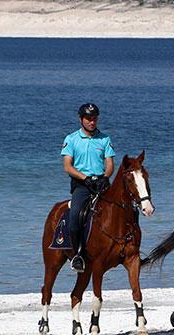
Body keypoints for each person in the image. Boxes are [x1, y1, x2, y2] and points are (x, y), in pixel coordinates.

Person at [60, 103, 115, 272]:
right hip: (82, 185)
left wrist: (105, 177)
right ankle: (77, 255)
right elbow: (67, 166)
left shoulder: (105, 139)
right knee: (76, 214)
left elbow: (110, 164)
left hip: (101, 183)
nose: (92, 122)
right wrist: (86, 178)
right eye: (89, 119)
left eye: (95, 118)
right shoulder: (71, 139)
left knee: (125, 206)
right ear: (81, 119)